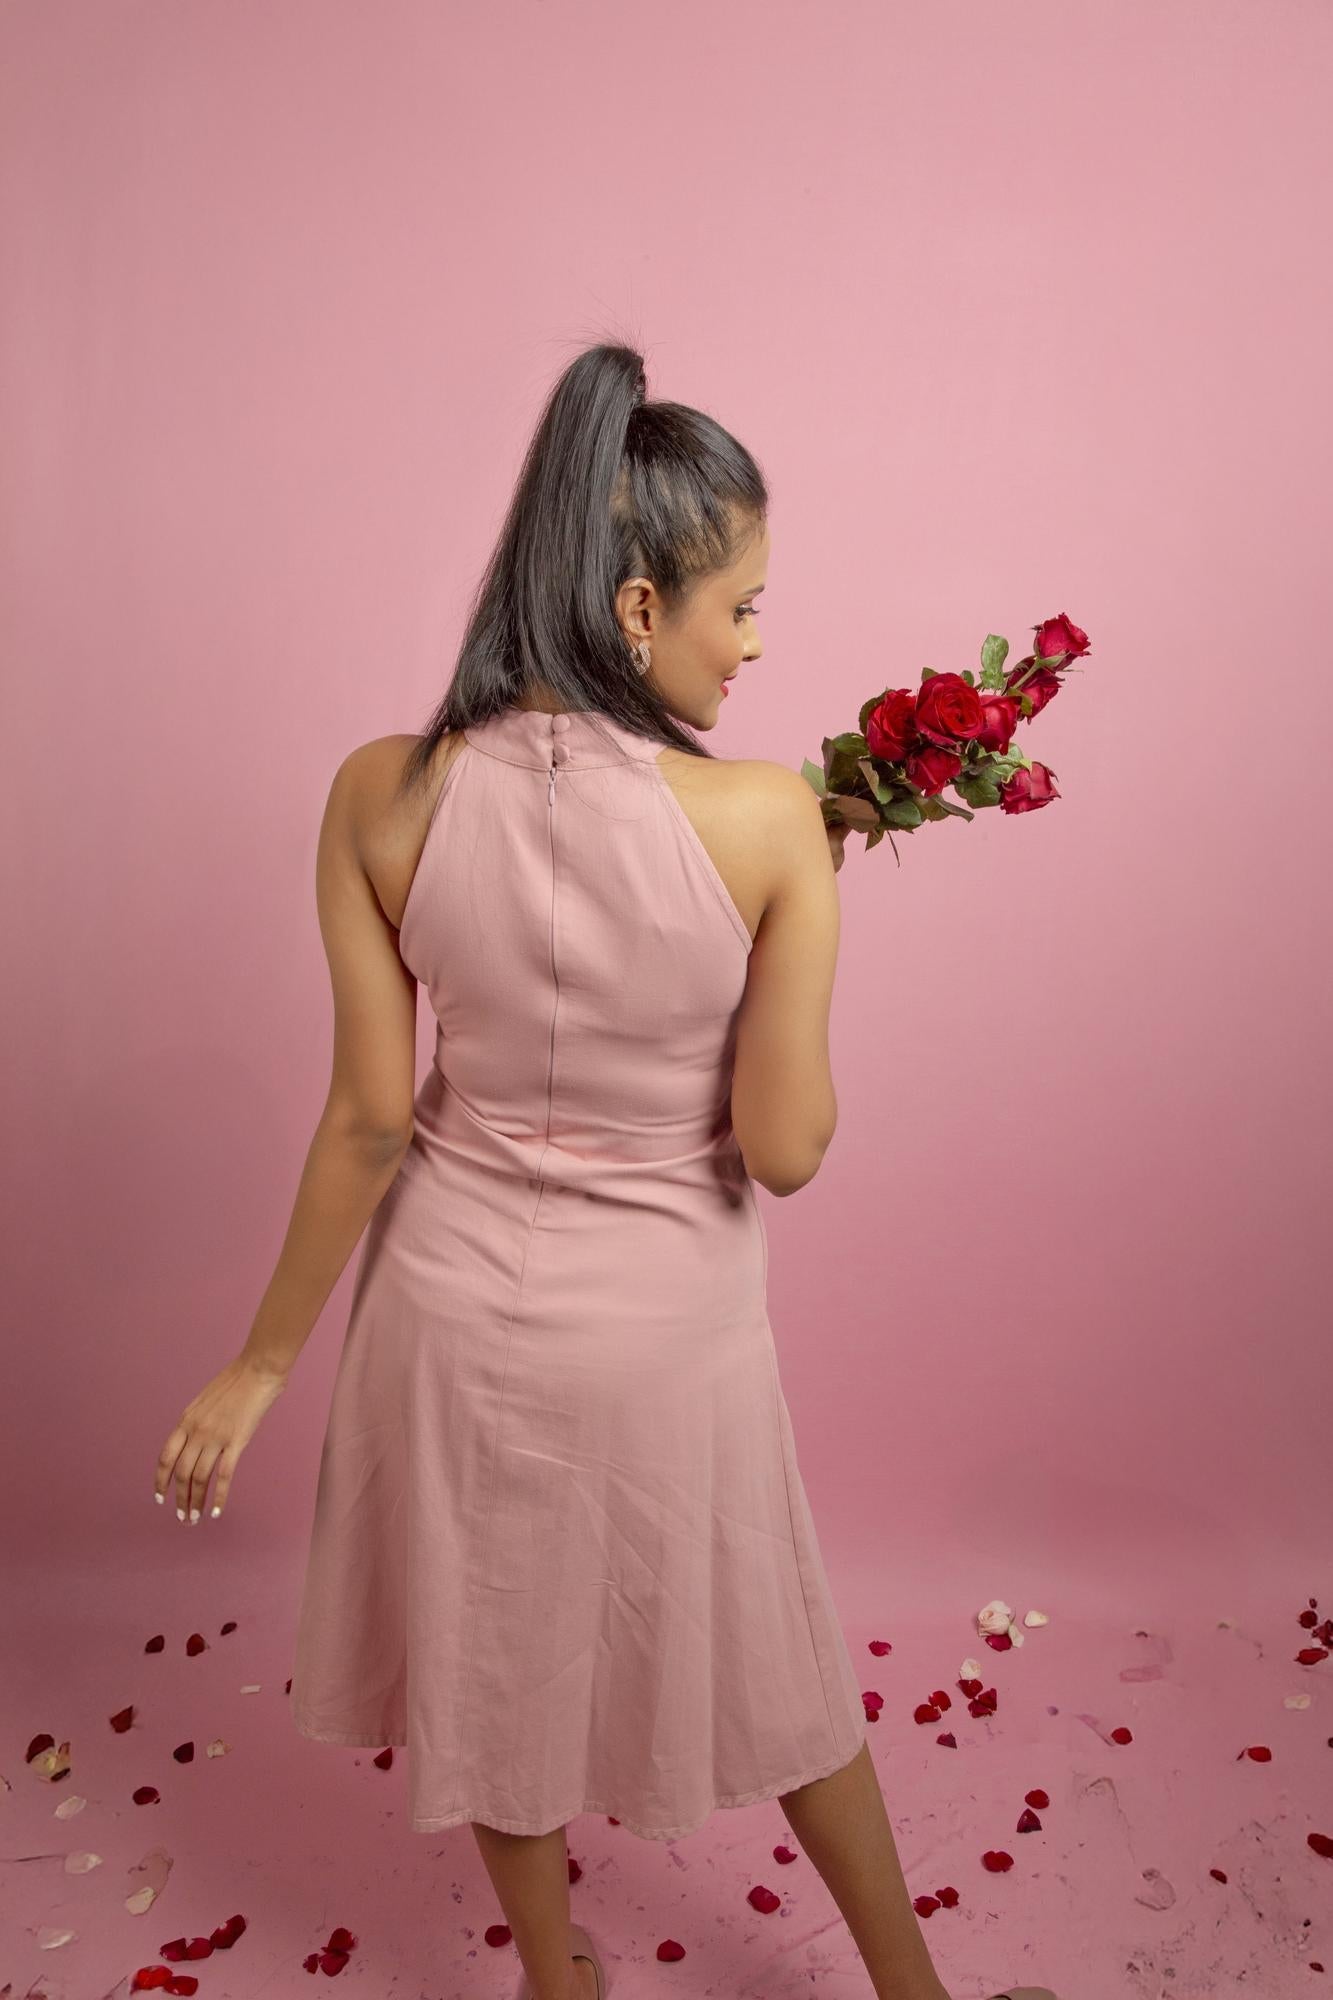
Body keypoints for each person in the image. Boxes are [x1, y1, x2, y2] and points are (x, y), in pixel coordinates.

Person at [152, 342, 1053, 2000]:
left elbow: (368, 1117)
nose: (755, 644)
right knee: (775, 1660)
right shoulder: (767, 819)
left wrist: (260, 1362)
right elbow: (783, 1151)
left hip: (446, 1316)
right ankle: (914, 1999)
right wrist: (806, 901)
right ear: (640, 609)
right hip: (662, 1330)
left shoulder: (380, 792)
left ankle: (559, 1987)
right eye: (740, 607)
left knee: (493, 1670)